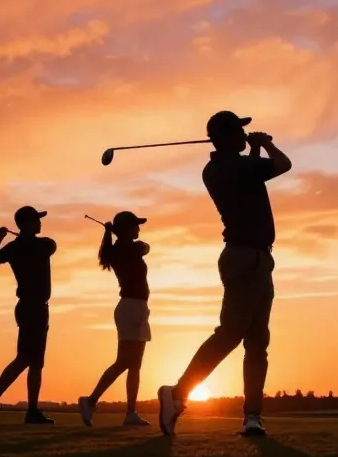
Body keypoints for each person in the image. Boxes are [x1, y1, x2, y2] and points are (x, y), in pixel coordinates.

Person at [158, 111, 292, 438]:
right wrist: (267, 144)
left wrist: (253, 149)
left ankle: (252, 416)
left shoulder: (219, 167)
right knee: (231, 334)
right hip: (246, 257)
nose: (246, 135)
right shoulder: (233, 166)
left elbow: (253, 174)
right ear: (229, 136)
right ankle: (177, 394)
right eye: (241, 131)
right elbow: (283, 164)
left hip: (256, 258)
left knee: (257, 341)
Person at [0, 206, 56, 426]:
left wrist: (1, 238)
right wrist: (13, 239)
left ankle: (30, 410)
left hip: (31, 307)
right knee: (26, 359)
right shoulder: (41, 244)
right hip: (34, 307)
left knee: (35, 362)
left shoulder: (16, 247)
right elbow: (51, 245)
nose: (40, 224)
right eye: (36, 221)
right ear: (28, 223)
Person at [78, 211, 152, 427]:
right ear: (126, 229)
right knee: (125, 362)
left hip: (134, 307)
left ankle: (130, 413)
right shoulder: (129, 248)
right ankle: (91, 401)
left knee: (134, 364)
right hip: (132, 307)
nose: (139, 230)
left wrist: (111, 232)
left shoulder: (118, 248)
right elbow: (145, 247)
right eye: (135, 226)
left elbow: (143, 246)